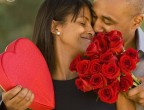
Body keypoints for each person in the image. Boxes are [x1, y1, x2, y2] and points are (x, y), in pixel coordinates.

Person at [0, 0, 135, 110]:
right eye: (83, 22)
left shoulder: (109, 79)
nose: (92, 31)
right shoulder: (27, 91)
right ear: (55, 27)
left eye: (91, 24)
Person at [92, 0, 144, 109]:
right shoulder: (83, 44)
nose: (96, 27)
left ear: (136, 21)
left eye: (107, 21)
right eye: (94, 16)